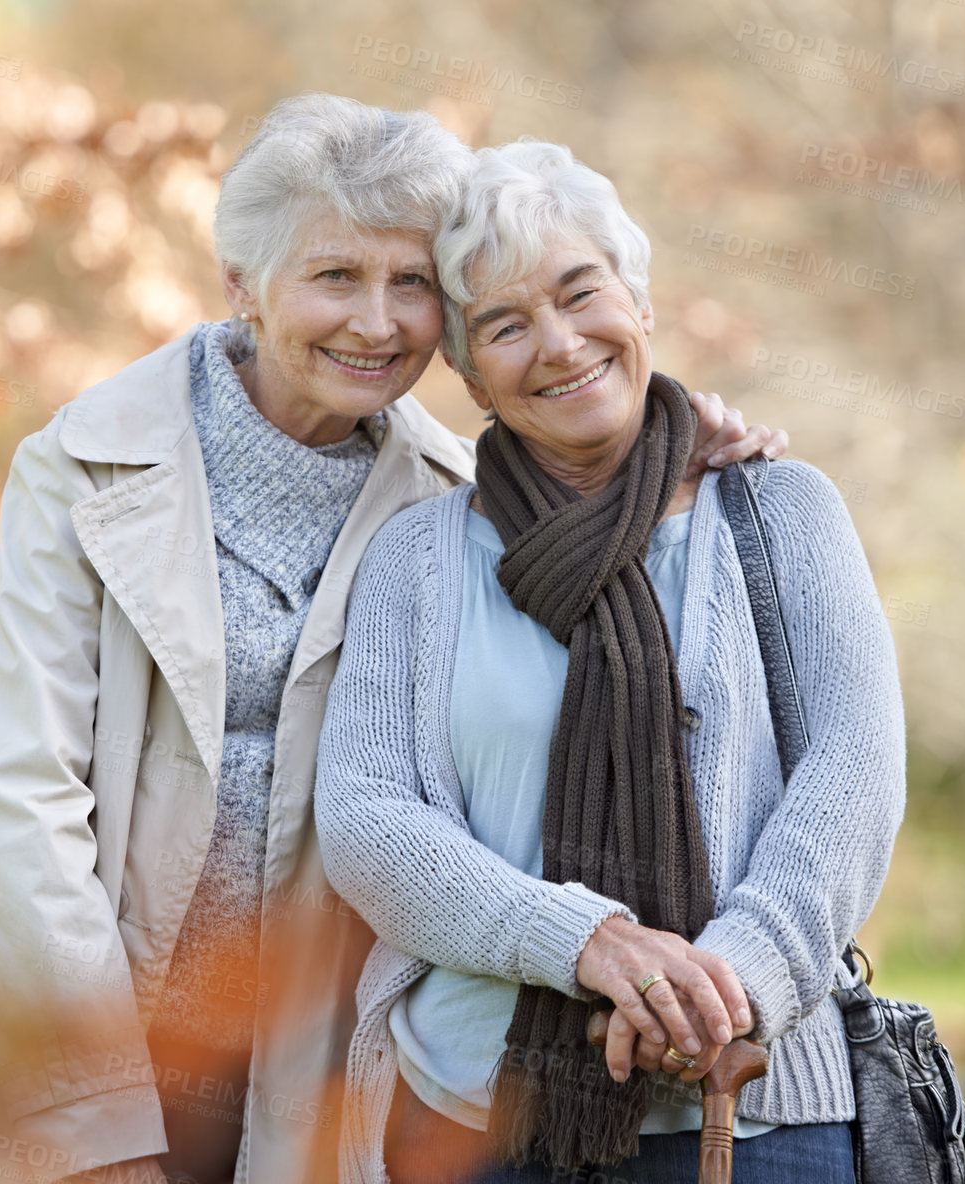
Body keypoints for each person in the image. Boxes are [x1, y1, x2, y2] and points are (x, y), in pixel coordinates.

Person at [0, 99, 786, 1184]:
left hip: (290, 1067)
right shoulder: (84, 465)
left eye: (411, 286)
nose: (376, 324)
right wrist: (94, 1122)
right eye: (333, 277)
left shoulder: (451, 504)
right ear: (242, 284)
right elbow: (23, 806)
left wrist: (678, 439)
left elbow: (599, 503)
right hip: (51, 1039)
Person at [314, 139, 904, 1184]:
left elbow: (851, 777)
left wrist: (722, 987)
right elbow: (366, 817)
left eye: (578, 293)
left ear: (635, 300)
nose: (557, 342)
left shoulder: (778, 512)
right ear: (465, 370)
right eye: (503, 324)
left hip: (754, 1107)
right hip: (472, 1117)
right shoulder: (416, 556)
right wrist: (587, 942)